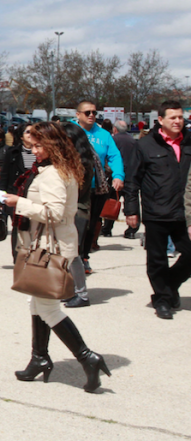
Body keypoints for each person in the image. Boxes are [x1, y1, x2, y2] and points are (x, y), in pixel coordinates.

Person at [4, 122, 111, 393]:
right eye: (34, 145)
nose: (34, 149)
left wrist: (20, 204)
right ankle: (39, 358)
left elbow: (55, 213)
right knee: (36, 303)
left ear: (53, 146)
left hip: (50, 248)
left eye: (40, 145)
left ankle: (88, 357)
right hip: (49, 245)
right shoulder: (58, 169)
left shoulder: (53, 173)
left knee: (48, 308)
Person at [125, 101, 191, 320]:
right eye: (172, 117)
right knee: (157, 259)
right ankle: (162, 299)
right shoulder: (145, 145)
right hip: (157, 211)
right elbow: (132, 180)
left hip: (184, 213)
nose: (177, 121)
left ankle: (170, 283)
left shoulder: (189, 142)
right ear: (160, 120)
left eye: (180, 117)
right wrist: (132, 209)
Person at [74, 100, 124, 264]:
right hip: (75, 188)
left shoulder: (104, 135)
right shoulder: (71, 132)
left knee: (91, 224)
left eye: (94, 112)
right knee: (76, 223)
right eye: (87, 112)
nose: (92, 115)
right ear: (78, 115)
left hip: (96, 188)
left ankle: (85, 256)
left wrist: (118, 175)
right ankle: (72, 256)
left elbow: (114, 156)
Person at [61, 122, 99, 309]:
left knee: (72, 254)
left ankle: (81, 294)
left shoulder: (82, 163)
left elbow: (77, 190)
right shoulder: (70, 160)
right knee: (65, 254)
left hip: (77, 212)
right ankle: (70, 289)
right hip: (70, 210)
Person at [0, 124, 36, 260]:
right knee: (18, 227)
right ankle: (18, 257)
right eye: (28, 132)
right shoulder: (12, 152)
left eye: (33, 132)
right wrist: (1, 197)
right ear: (21, 136)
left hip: (34, 196)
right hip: (15, 194)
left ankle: (32, 256)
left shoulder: (41, 152)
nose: (31, 134)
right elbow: (5, 175)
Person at [103, 120, 139, 239]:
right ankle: (132, 230)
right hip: (132, 175)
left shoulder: (113, 139)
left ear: (115, 129)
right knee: (131, 201)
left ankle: (107, 228)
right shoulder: (133, 141)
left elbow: (109, 157)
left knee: (112, 202)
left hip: (116, 176)